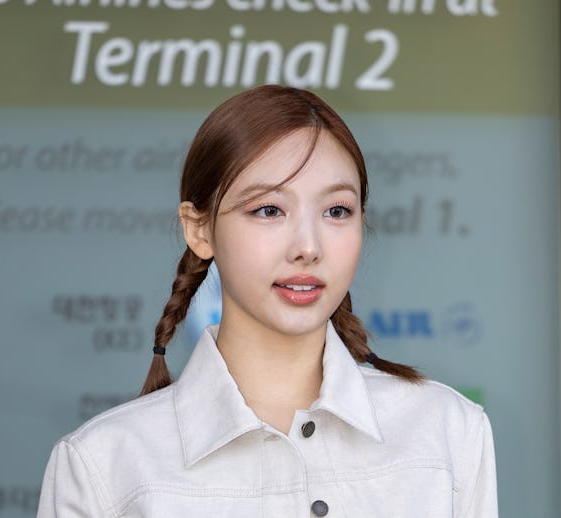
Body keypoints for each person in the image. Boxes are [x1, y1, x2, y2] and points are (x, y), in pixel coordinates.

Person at [37, 85, 497, 517]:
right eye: (268, 210)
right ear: (199, 229)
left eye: (337, 211)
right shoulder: (103, 466)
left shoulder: (448, 432)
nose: (308, 246)